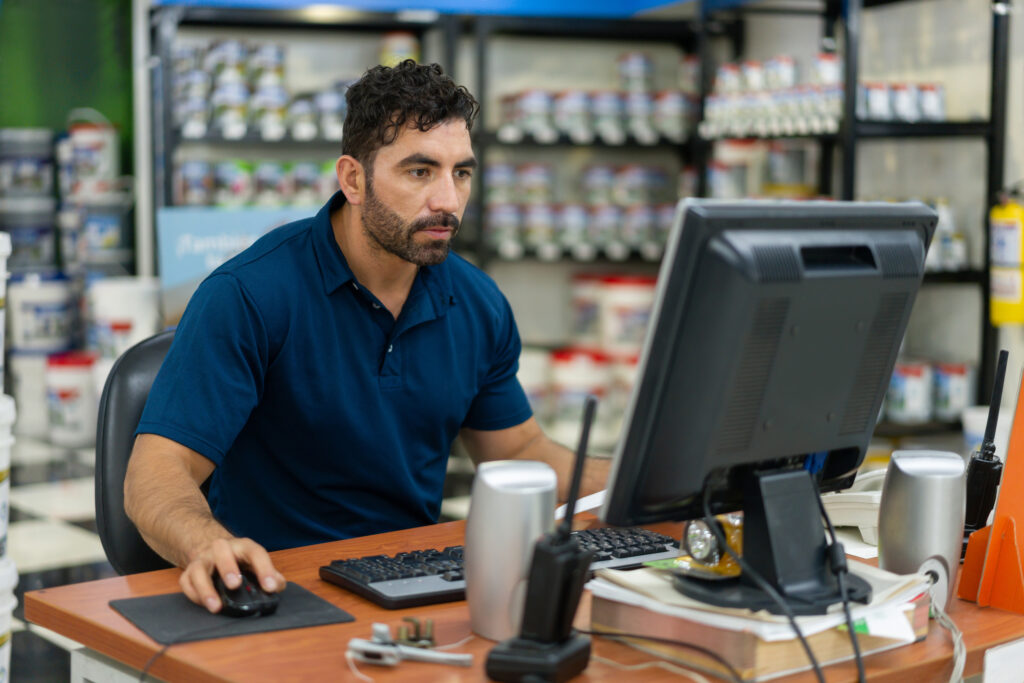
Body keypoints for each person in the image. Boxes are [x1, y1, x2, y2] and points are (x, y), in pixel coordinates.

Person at [124, 60, 608, 614]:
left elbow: (520, 450)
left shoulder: (477, 302)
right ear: (353, 179)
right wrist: (205, 543)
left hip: (417, 585)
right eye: (420, 172)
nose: (448, 201)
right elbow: (157, 471)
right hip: (280, 587)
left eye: (462, 173)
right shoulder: (250, 295)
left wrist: (650, 478)